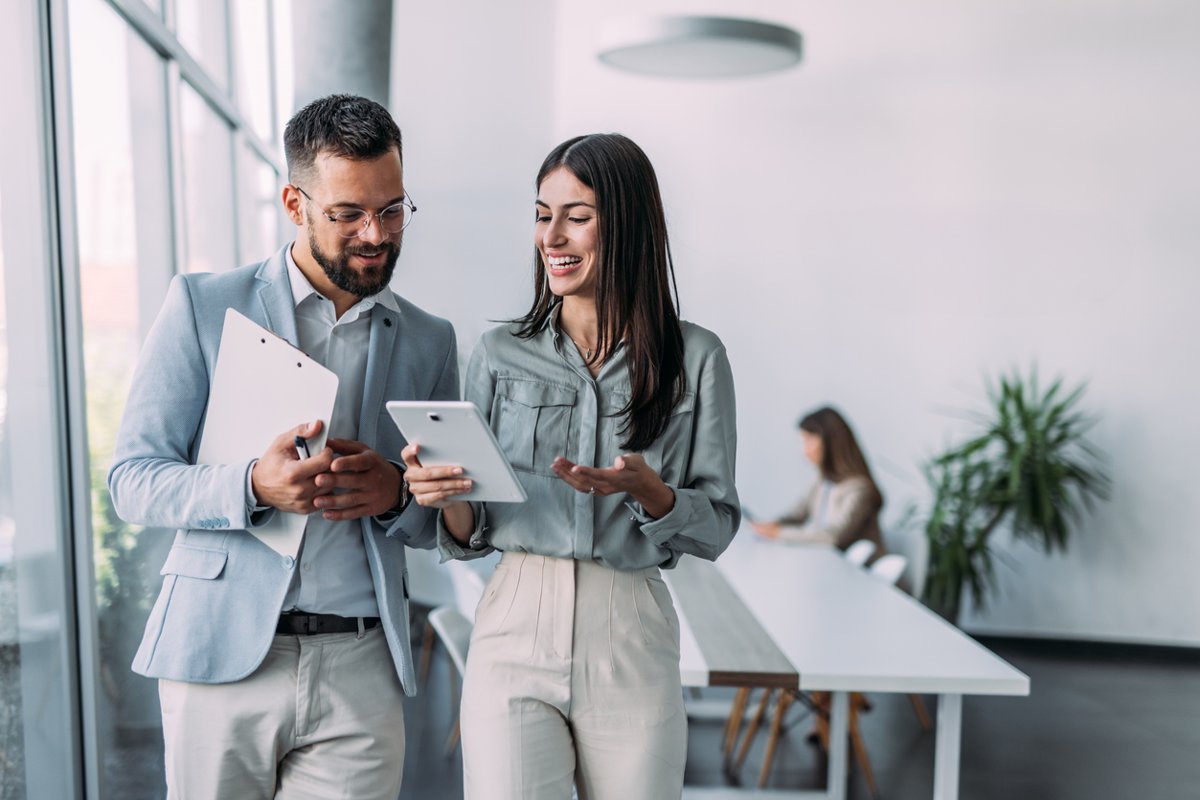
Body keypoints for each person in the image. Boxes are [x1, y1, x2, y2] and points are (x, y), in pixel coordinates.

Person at [107, 94, 459, 799]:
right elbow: (132, 480)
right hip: (222, 657)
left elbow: (443, 518)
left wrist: (396, 493)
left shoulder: (430, 339)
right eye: (348, 213)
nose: (376, 233)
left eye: (392, 210)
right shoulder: (204, 306)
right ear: (295, 204)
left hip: (362, 666)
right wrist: (251, 486)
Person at [402, 133, 740, 800]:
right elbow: (476, 530)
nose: (550, 235)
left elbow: (718, 525)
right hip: (513, 621)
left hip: (630, 630)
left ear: (630, 226)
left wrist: (655, 496)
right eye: (541, 213)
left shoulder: (696, 358)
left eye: (577, 216)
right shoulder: (499, 352)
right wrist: (444, 494)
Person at [751, 406, 886, 558]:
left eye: (808, 441)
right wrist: (773, 525)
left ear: (830, 443)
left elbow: (834, 537)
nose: (804, 451)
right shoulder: (823, 482)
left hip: (861, 575)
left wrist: (778, 533)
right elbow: (797, 515)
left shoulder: (860, 489)